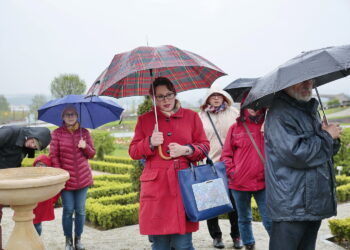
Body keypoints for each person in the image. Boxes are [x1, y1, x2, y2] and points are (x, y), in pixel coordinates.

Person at [129, 77, 210, 250]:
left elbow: (204, 146)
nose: (165, 100)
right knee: (160, 245)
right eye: (160, 97)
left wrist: (186, 150)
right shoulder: (145, 120)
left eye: (169, 95)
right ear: (153, 98)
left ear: (175, 94)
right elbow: (133, 151)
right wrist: (149, 142)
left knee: (183, 244)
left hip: (183, 185)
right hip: (156, 188)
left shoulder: (191, 117)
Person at [264, 79, 342, 250]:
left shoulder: (309, 110)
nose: (308, 85)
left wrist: (330, 137)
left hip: (312, 201)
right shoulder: (280, 113)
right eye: (301, 81)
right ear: (285, 84)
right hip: (291, 204)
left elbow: (322, 153)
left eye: (310, 81)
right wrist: (327, 136)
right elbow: (297, 154)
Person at [220, 95, 272, 250]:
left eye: (257, 104)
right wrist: (232, 172)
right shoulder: (235, 128)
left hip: (264, 182)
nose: (253, 108)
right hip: (239, 183)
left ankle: (278, 243)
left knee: (269, 219)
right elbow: (226, 155)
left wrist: (268, 126)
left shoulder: (269, 125)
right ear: (243, 106)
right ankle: (249, 243)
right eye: (249, 104)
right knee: (243, 218)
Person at [198, 87, 243, 249]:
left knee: (234, 202)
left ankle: (237, 236)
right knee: (213, 203)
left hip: (232, 163)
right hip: (209, 164)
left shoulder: (234, 113)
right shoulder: (201, 116)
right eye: (212, 96)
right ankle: (216, 236)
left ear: (225, 97)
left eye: (219, 95)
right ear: (207, 99)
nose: (216, 98)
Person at [49, 105, 96, 250]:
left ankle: (78, 240)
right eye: (67, 114)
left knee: (80, 210)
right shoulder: (57, 134)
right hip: (66, 180)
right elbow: (53, 155)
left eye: (73, 114)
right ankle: (68, 240)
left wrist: (85, 146)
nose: (70, 116)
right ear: (63, 117)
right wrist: (62, 174)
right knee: (68, 210)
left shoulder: (85, 133)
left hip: (83, 178)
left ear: (77, 116)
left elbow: (92, 153)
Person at [0, 125, 51, 250]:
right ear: (33, 134)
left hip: (4, 183)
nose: (33, 146)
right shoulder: (11, 131)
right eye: (34, 142)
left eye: (36, 147)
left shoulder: (25, 145)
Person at [32, 154, 60, 236]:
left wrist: (53, 201)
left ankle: (36, 243)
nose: (40, 167)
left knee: (37, 225)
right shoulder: (31, 176)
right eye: (38, 164)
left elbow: (56, 191)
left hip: (40, 207)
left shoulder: (50, 179)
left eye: (42, 165)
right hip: (30, 205)